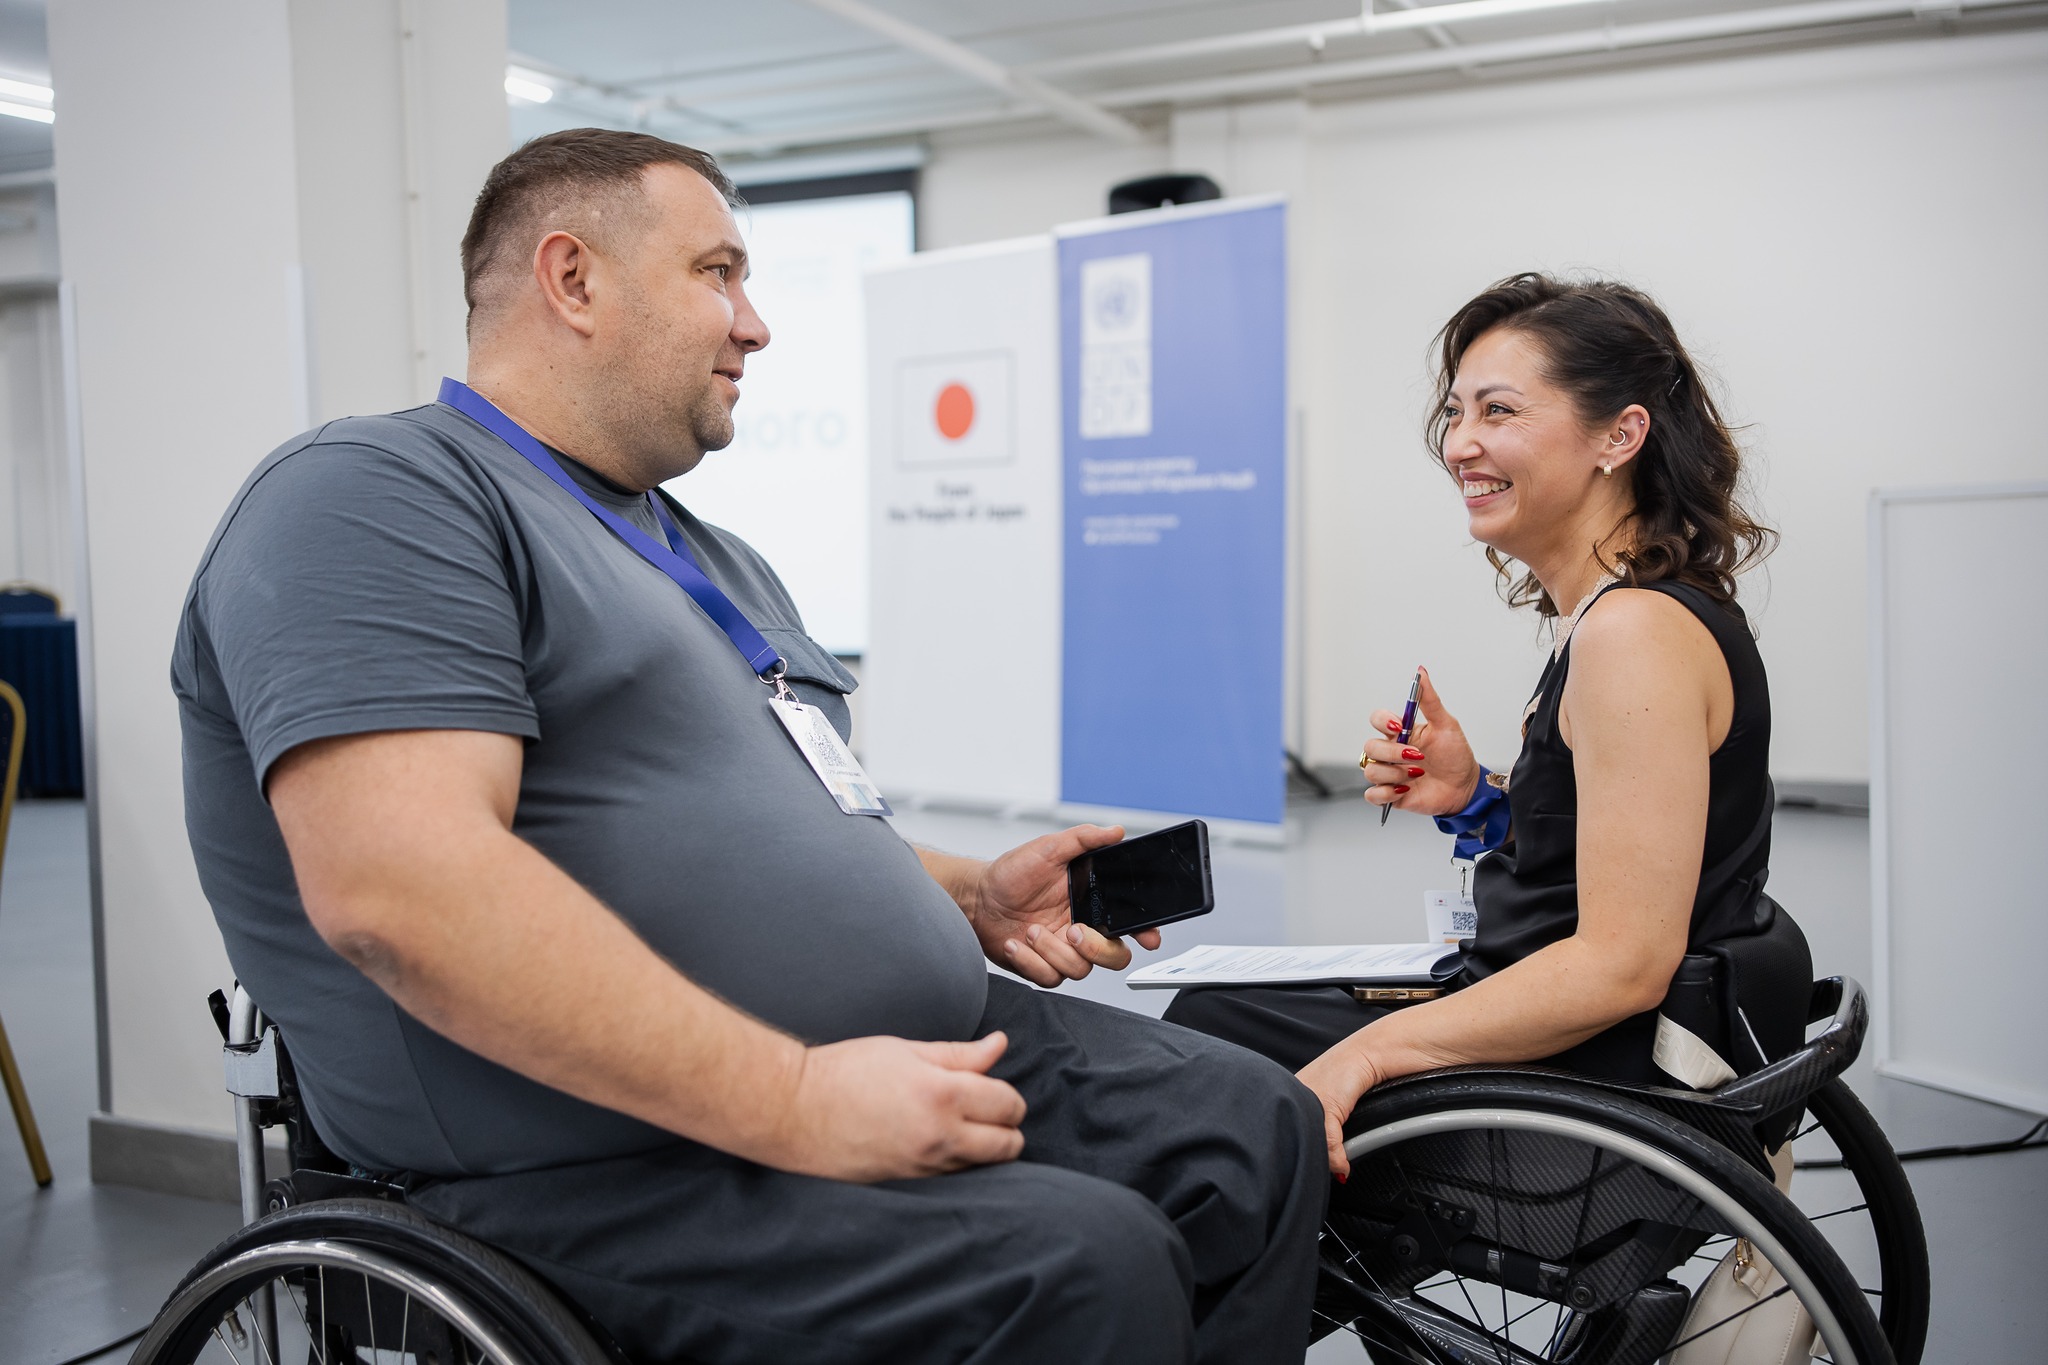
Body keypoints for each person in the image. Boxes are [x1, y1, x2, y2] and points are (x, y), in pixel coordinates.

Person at [173, 128, 1324, 1365]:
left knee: (1250, 1131)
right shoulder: (376, 497)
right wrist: (794, 1098)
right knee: (1078, 1268)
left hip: (880, 1051)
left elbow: (768, 821)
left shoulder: (708, 554)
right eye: (716, 274)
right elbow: (404, 893)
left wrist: (969, 896)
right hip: (591, 1151)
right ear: (572, 279)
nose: (755, 325)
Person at [1165, 272, 1809, 1179]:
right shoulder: (1623, 613)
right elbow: (1612, 852)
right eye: (1456, 412)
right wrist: (1472, 796)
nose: (1460, 443)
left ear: (1620, 436)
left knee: (1202, 1037)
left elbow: (1623, 964)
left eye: (1498, 410)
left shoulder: (1631, 633)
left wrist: (1369, 1053)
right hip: (1578, 1035)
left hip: (1592, 1076)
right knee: (1221, 1010)